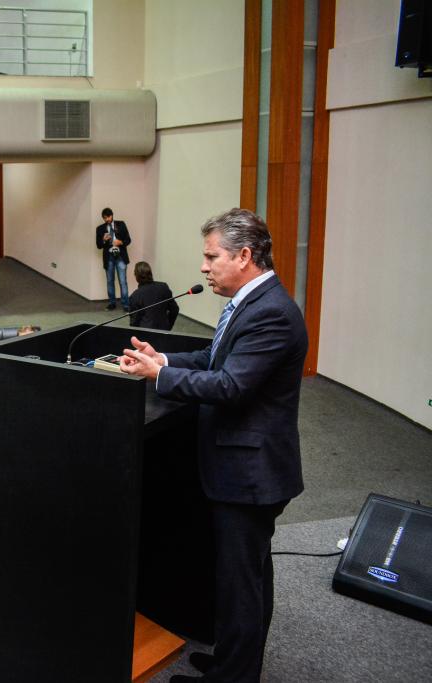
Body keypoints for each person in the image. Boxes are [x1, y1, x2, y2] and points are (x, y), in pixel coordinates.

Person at [118, 208, 307, 683]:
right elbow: (211, 356)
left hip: (251, 474)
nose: (203, 267)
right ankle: (231, 662)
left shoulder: (272, 314)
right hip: (244, 468)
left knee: (242, 585)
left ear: (244, 256)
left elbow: (230, 386)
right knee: (245, 578)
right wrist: (163, 356)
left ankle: (233, 678)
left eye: (211, 256)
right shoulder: (249, 300)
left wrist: (157, 375)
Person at [95, 207, 132, 311]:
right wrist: (103, 240)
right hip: (109, 257)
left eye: (108, 217)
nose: (107, 219)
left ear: (112, 215)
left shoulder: (121, 224)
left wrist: (121, 242)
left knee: (123, 281)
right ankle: (112, 303)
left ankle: (126, 305)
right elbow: (98, 245)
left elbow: (128, 240)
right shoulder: (100, 229)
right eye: (104, 218)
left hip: (120, 256)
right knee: (110, 281)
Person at [128, 261, 179, 331]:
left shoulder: (135, 296)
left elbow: (134, 322)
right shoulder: (163, 287)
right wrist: (168, 326)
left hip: (145, 334)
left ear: (137, 277)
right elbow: (175, 309)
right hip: (164, 331)